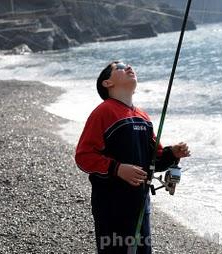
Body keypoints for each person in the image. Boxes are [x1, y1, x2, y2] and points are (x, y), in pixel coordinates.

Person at [75, 61, 190, 254]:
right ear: (107, 83)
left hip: (140, 205)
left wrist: (173, 153)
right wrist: (117, 168)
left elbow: (156, 159)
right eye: (119, 66)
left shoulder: (142, 116)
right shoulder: (104, 112)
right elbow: (83, 156)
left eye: (128, 65)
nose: (128, 67)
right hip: (111, 205)